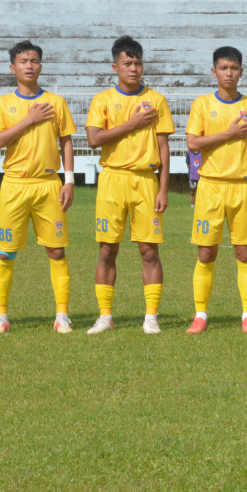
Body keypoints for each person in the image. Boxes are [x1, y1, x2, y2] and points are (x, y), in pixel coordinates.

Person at [85, 36, 175, 335]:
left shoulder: (157, 100)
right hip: (112, 179)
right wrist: (132, 124)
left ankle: (151, 316)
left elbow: (164, 149)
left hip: (145, 181)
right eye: (127, 63)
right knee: (107, 250)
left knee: (149, 251)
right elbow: (94, 139)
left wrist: (163, 188)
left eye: (137, 63)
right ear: (115, 66)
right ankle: (105, 315)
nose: (133, 68)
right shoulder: (102, 100)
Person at [0, 41, 77, 335]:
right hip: (14, 185)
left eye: (35, 60)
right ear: (12, 67)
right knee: (5, 253)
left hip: (49, 184)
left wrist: (69, 179)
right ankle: (1, 317)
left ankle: (62, 316)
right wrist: (29, 119)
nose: (29, 65)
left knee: (56, 251)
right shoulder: (2, 104)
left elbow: (66, 141)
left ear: (41, 66)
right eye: (23, 61)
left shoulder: (56, 101)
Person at [185, 46, 247, 333]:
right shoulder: (201, 104)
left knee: (244, 253)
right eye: (223, 68)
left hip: (242, 187)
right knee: (206, 253)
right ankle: (200, 315)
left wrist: (240, 160)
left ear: (241, 72)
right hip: (210, 186)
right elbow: (193, 144)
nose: (229, 73)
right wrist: (229, 135)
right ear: (214, 72)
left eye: (234, 68)